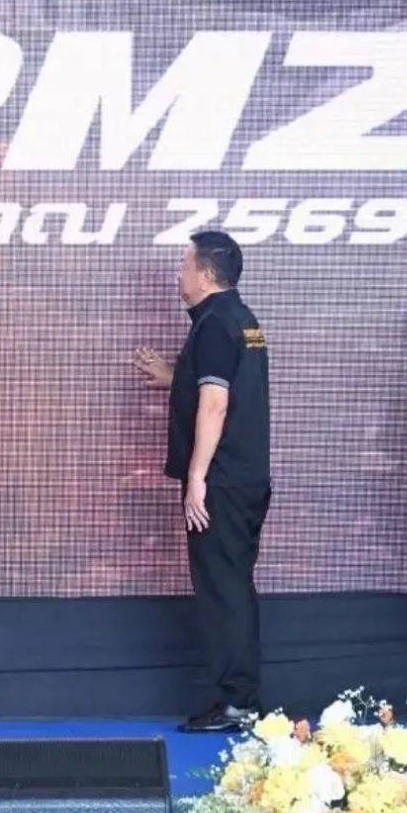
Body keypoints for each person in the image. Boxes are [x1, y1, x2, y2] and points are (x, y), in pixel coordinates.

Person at [132, 231, 271, 732]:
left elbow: (216, 403)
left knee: (223, 591)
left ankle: (238, 702)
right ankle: (241, 697)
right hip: (244, 478)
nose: (179, 275)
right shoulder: (241, 319)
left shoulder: (214, 324)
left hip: (221, 482)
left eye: (184, 265)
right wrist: (177, 378)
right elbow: (226, 385)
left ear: (207, 274)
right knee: (233, 586)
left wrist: (197, 477)